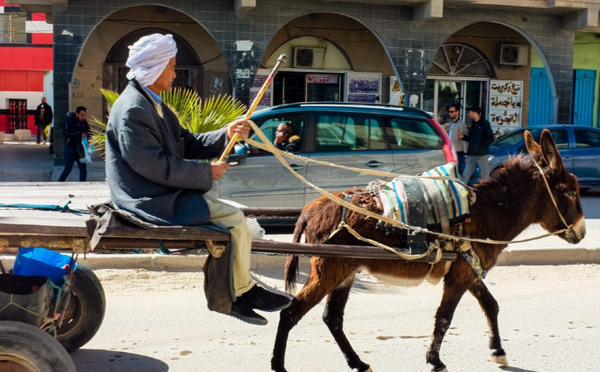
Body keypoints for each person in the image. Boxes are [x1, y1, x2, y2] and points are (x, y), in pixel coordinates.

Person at [105, 33, 291, 326]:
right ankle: (239, 294)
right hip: (148, 199)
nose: (174, 74)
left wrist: (225, 133)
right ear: (154, 68)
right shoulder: (133, 109)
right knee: (233, 219)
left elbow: (186, 143)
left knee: (233, 217)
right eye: (171, 67)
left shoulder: (152, 104)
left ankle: (241, 289)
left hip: (161, 192)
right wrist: (206, 173)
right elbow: (150, 165)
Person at [459, 105, 494, 184]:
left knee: (485, 177)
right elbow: (472, 139)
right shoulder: (473, 124)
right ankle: (462, 192)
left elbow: (491, 138)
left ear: (474, 113)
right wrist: (463, 137)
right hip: (472, 155)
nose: (468, 114)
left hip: (482, 155)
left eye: (469, 112)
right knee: (465, 175)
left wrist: (481, 146)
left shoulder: (484, 123)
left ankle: (486, 193)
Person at [58, 106, 90, 182]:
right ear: (77, 114)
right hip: (70, 148)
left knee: (83, 169)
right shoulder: (69, 121)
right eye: (82, 115)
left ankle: (82, 186)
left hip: (80, 150)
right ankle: (59, 184)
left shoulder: (84, 123)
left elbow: (89, 132)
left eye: (84, 115)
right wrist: (79, 134)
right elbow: (66, 134)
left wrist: (88, 137)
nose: (83, 117)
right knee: (67, 169)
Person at [446, 104, 468, 175]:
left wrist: (466, 153)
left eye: (452, 112)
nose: (450, 114)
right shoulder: (451, 123)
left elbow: (465, 140)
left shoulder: (461, 124)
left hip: (459, 152)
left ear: (457, 112)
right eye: (449, 112)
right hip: (451, 150)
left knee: (459, 171)